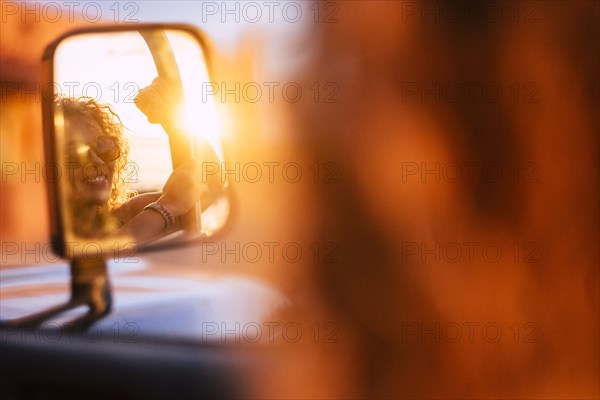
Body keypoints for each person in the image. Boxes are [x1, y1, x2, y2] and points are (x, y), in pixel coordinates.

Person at [62, 78, 220, 243]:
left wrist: (172, 120)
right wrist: (169, 205)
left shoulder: (129, 214)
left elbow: (210, 184)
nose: (98, 161)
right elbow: (100, 255)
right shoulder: (51, 236)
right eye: (75, 154)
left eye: (105, 147)